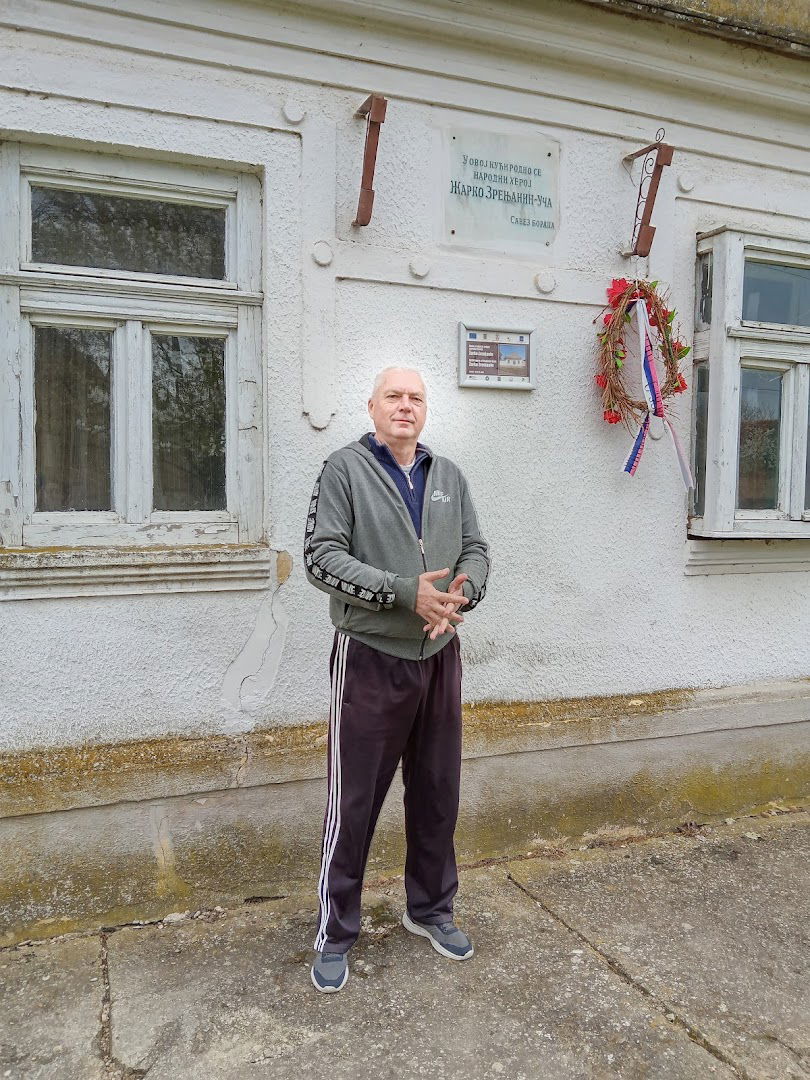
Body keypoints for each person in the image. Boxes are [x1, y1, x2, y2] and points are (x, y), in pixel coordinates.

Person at [303, 366, 490, 993]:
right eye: (393, 397)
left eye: (415, 398)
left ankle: (431, 910)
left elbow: (476, 549)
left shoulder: (449, 475)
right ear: (373, 407)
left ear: (424, 410)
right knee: (353, 801)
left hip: (439, 654)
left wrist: (462, 596)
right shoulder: (343, 470)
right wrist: (404, 594)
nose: (405, 407)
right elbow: (320, 559)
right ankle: (335, 931)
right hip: (371, 658)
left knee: (438, 790)